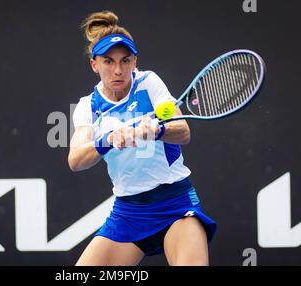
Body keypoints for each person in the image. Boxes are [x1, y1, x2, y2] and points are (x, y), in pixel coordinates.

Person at [68, 10, 216, 266]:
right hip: (128, 211)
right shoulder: (88, 106)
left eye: (126, 61)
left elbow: (183, 131)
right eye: (108, 61)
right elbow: (76, 160)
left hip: (175, 204)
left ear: (135, 62)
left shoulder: (149, 83)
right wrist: (109, 139)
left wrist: (158, 130)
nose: (118, 70)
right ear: (95, 64)